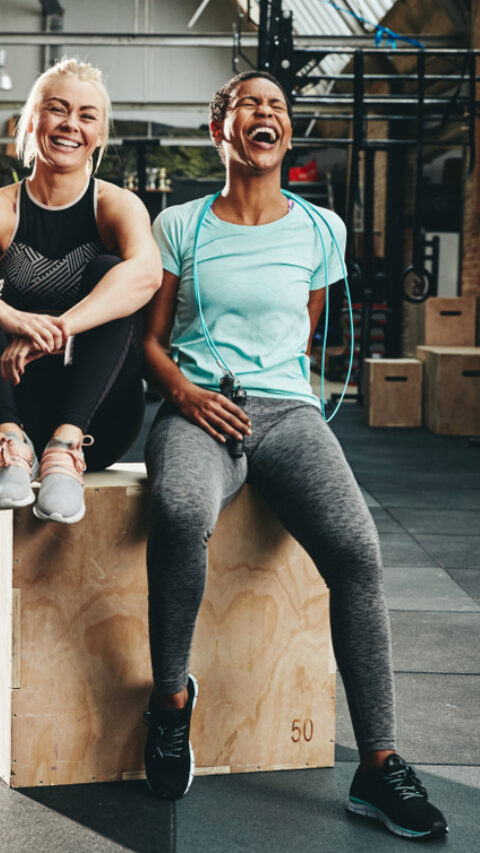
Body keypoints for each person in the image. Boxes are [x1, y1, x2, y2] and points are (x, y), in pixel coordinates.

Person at [141, 70, 448, 841]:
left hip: (288, 412)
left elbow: (303, 330)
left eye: (278, 105)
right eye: (251, 103)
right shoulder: (177, 223)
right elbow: (148, 341)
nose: (267, 112)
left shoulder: (322, 229)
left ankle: (378, 764)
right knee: (179, 511)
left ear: (287, 131)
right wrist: (187, 396)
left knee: (357, 552)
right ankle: (171, 701)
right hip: (199, 406)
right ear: (223, 129)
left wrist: (273, 393)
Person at [0, 58, 161, 523]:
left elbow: (147, 274)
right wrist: (12, 318)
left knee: (117, 271)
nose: (71, 124)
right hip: (9, 409)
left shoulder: (116, 205)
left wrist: (59, 329)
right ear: (31, 121)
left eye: (87, 115)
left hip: (98, 423)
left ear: (100, 135)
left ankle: (65, 449)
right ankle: (10, 444)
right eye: (57, 109)